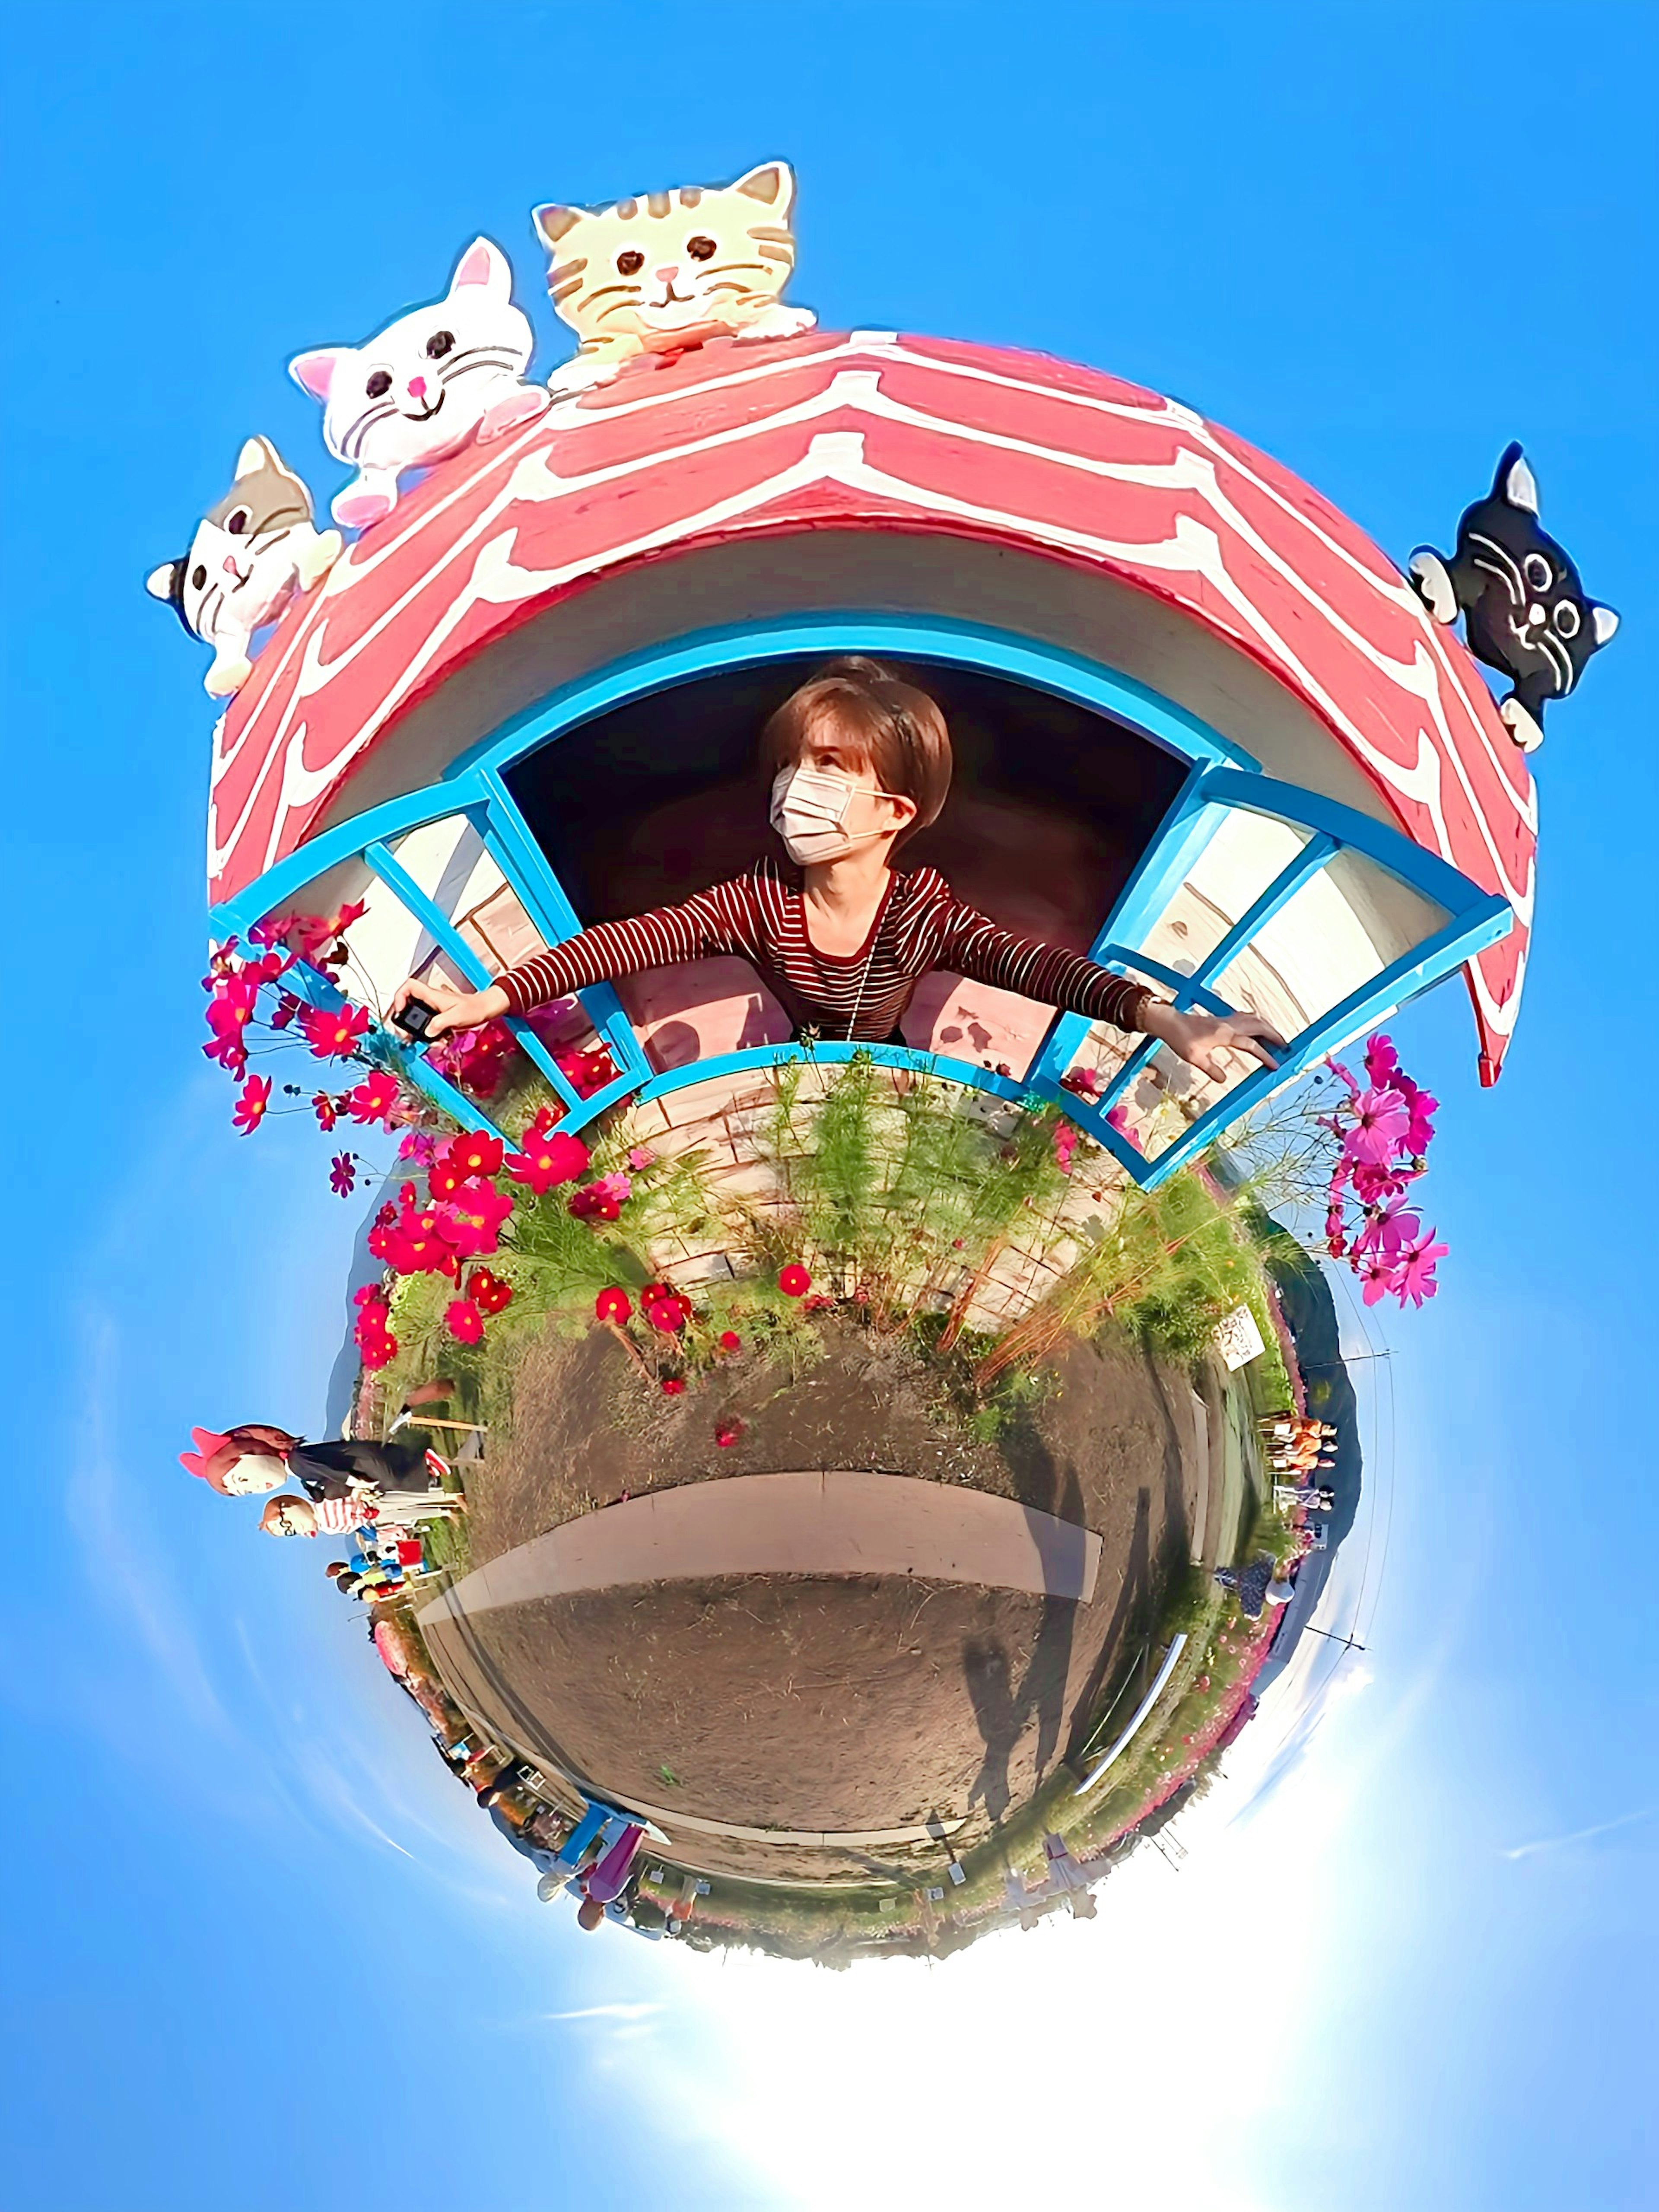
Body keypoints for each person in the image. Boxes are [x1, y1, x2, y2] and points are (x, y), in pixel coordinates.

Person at [388, 659, 1283, 1080]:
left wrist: (1167, 1022)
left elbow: (1041, 968)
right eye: (789, 766)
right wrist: (484, 1000)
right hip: (795, 1047)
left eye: (827, 769)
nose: (794, 791)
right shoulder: (755, 902)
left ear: (896, 812)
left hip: (892, 1055)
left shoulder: (924, 916)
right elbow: (624, 944)